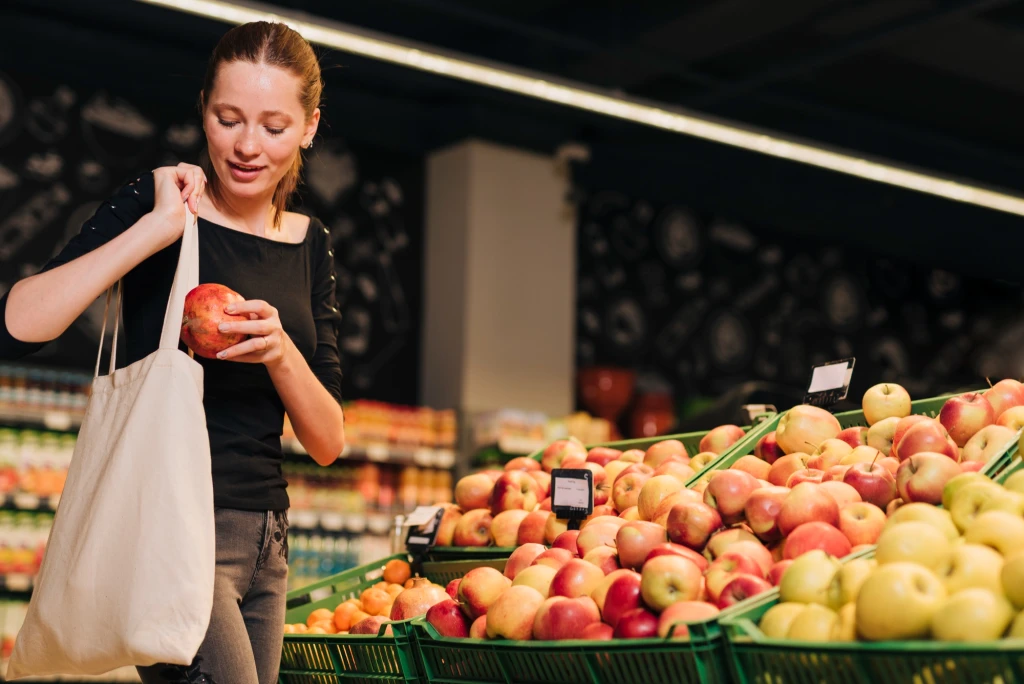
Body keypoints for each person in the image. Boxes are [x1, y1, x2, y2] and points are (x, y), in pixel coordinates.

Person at [0, 21, 345, 684]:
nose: (246, 146)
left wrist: (279, 352)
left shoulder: (311, 243)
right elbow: (20, 323)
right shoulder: (159, 201)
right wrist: (156, 231)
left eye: (273, 126)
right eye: (227, 118)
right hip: (169, 524)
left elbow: (328, 440)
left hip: (269, 539)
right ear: (204, 111)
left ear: (308, 127)